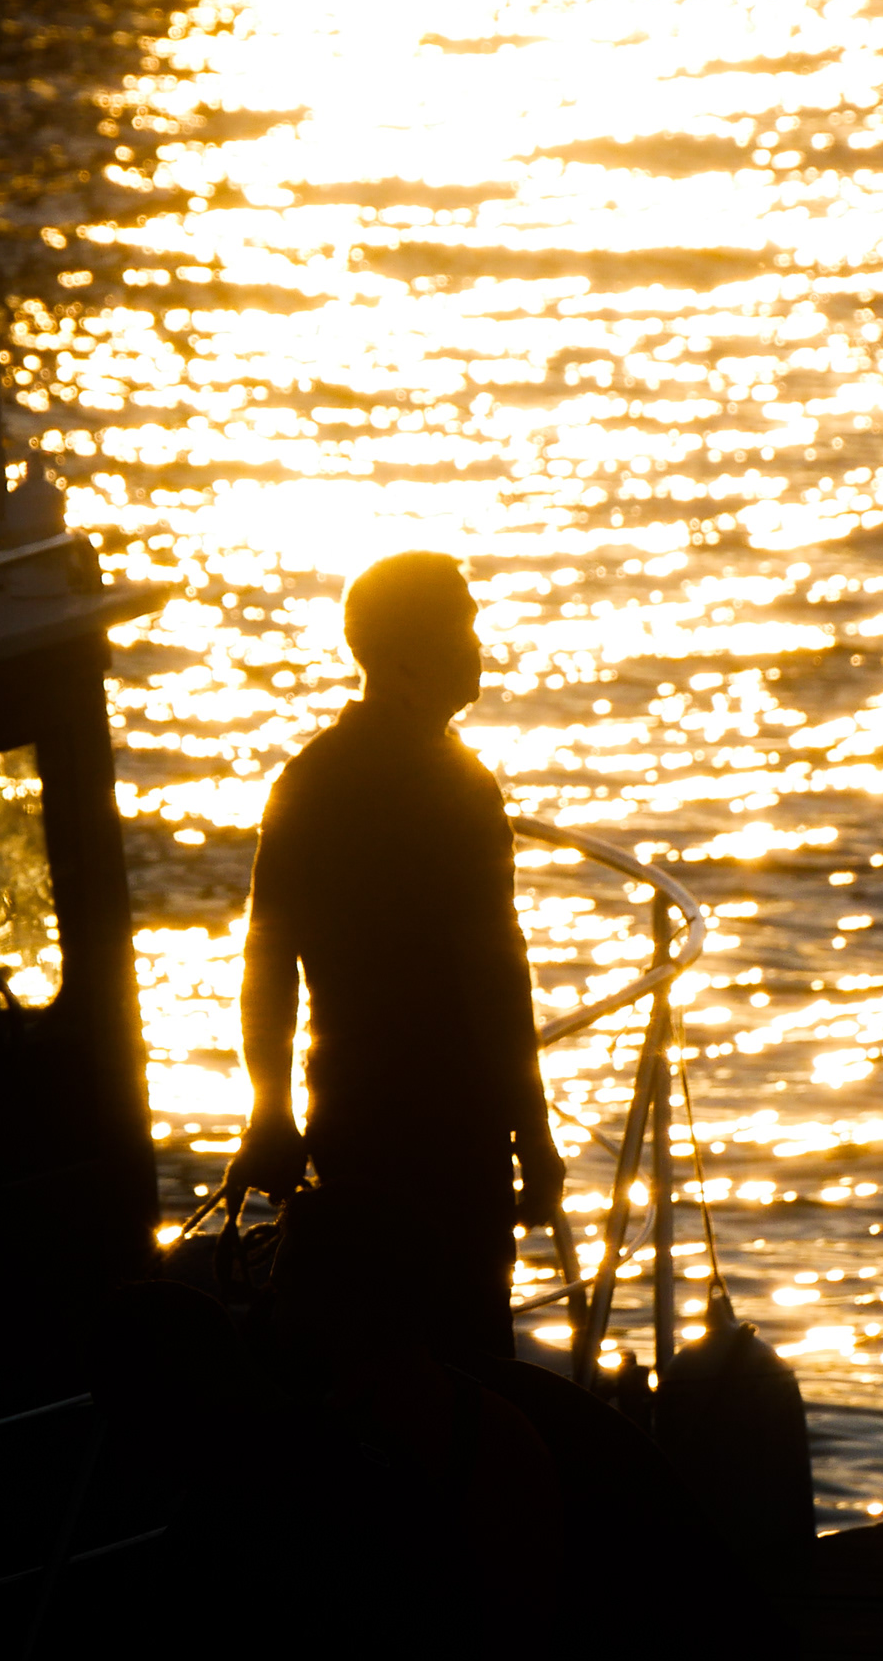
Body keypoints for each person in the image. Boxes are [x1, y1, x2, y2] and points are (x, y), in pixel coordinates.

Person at [226, 551, 563, 1360]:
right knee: (464, 1354)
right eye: (463, 628)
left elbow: (267, 958)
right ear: (409, 656)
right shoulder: (460, 790)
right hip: (453, 1132)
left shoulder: (307, 780)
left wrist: (270, 1110)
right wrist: (534, 1135)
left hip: (350, 1121)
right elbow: (495, 976)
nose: (478, 647)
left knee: (365, 1353)